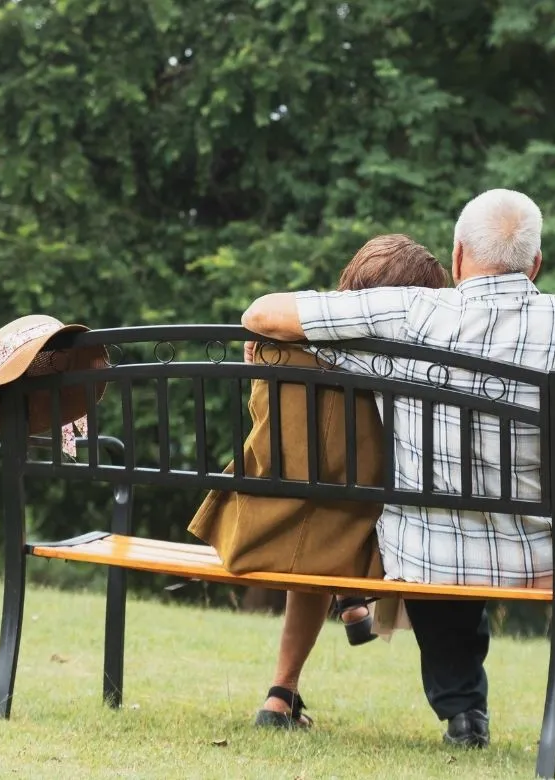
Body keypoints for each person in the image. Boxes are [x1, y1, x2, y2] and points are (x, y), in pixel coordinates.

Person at [240, 189, 555, 760]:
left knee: (438, 539)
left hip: (424, 553)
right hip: (540, 554)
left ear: (457, 257)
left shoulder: (407, 311)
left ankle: (461, 711)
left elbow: (260, 314)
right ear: (535, 265)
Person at [188, 233, 449, 728]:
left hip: (254, 527)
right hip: (346, 542)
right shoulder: (404, 368)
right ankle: (347, 604)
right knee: (332, 509)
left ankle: (281, 695)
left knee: (312, 503)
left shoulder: (275, 348)